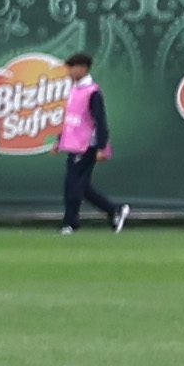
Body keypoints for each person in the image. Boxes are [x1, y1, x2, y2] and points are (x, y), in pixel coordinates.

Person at [58, 52, 126, 232]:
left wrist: (101, 146)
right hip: (74, 144)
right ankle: (115, 210)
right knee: (82, 187)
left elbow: (100, 120)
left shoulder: (93, 92)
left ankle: (70, 224)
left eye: (73, 68)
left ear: (83, 68)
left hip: (87, 145)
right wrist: (60, 140)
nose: (70, 72)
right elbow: (70, 118)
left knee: (72, 185)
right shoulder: (75, 90)